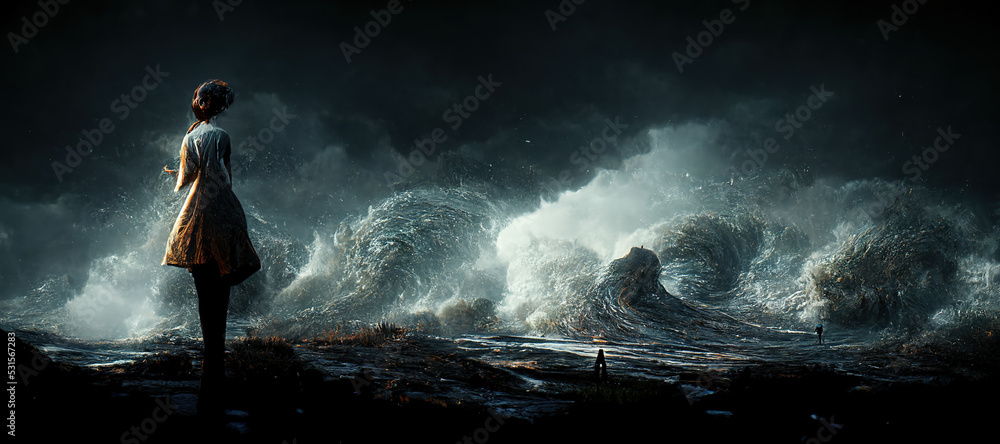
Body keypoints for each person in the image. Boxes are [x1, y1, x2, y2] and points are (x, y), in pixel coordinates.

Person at [162, 79, 261, 414]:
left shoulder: (192, 136)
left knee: (205, 288)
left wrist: (177, 174)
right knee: (229, 277)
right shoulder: (222, 136)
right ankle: (215, 366)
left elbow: (186, 180)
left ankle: (211, 369)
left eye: (196, 96)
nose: (193, 99)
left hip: (199, 212)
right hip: (225, 208)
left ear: (203, 102)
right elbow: (226, 177)